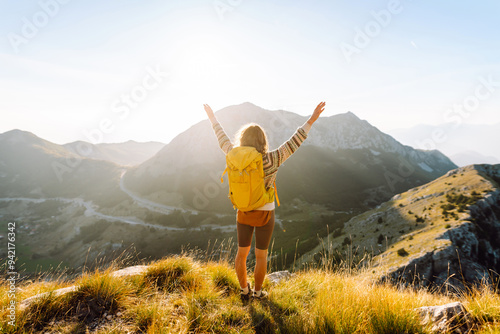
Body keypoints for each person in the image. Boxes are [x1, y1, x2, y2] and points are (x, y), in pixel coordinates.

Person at [204, 102, 325, 299]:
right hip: (265, 212)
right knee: (261, 255)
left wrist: (212, 118)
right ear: (262, 141)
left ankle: (244, 290)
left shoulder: (233, 155)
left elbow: (222, 139)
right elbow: (295, 142)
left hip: (243, 210)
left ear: (242, 140)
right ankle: (258, 293)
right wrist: (311, 120)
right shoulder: (272, 159)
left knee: (241, 254)